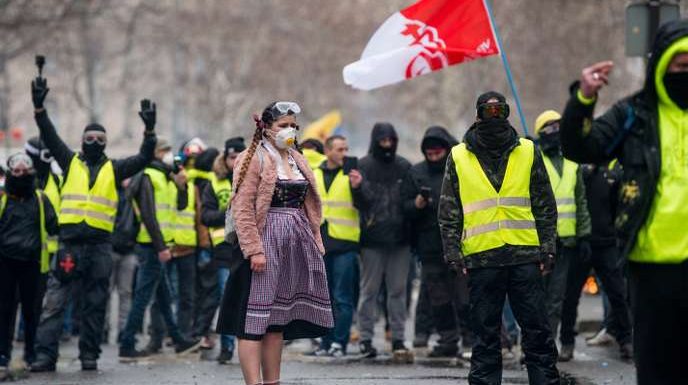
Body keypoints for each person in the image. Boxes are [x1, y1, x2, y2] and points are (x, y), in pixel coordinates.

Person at [559, 19, 688, 385]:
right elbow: (581, 147)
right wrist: (583, 99)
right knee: (659, 369)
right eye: (679, 67)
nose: (685, 74)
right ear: (661, 66)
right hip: (651, 268)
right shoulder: (635, 114)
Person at [30, 74, 157, 372]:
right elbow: (48, 135)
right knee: (54, 303)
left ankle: (89, 355)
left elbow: (143, 157)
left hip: (100, 247)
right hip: (70, 245)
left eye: (100, 139)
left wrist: (149, 131)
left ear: (106, 143)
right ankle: (45, 356)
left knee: (95, 305)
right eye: (90, 138)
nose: (94, 142)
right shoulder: (68, 160)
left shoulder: (114, 168)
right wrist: (39, 110)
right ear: (82, 141)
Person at [439, 92, 560, 385]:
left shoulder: (529, 151)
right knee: (485, 335)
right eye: (489, 110)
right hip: (482, 259)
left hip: (524, 256)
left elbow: (544, 203)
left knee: (537, 331)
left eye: (500, 110)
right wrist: (453, 253)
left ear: (506, 113)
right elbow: (449, 209)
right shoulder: (458, 155)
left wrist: (548, 248)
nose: (495, 116)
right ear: (478, 115)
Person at [217, 102, 333, 385]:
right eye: (283, 126)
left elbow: (309, 206)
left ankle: (273, 382)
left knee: (276, 321)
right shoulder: (252, 158)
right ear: (266, 128)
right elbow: (242, 209)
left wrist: (314, 239)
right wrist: (254, 250)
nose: (290, 130)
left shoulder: (297, 158)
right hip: (264, 241)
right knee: (252, 322)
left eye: (293, 125)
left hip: (294, 243)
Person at [401, 125, 471, 358]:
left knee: (465, 297)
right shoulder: (417, 172)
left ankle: (470, 338)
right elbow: (406, 207)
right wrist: (417, 204)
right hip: (429, 246)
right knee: (438, 299)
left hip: (460, 244)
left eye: (437, 154)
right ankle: (448, 339)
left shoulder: (460, 168)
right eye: (429, 154)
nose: (433, 158)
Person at [558, 161, 632, 361]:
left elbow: (618, 207)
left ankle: (626, 341)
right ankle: (567, 342)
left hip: (606, 243)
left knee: (617, 293)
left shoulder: (611, 175)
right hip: (580, 242)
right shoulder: (575, 171)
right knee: (570, 296)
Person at [356, 122, 413, 362]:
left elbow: (409, 202)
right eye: (383, 141)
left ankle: (398, 337)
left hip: (400, 240)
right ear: (376, 141)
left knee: (398, 292)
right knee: (369, 291)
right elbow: (361, 203)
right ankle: (365, 338)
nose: (387, 145)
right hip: (372, 239)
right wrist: (358, 187)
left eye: (390, 140)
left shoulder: (404, 166)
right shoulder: (364, 166)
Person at [533, 110, 592, 339]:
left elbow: (581, 200)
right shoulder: (533, 159)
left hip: (565, 243)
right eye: (549, 128)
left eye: (558, 127)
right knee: (534, 298)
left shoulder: (572, 161)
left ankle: (548, 345)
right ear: (540, 133)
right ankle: (532, 344)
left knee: (556, 298)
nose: (555, 133)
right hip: (537, 243)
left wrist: (584, 235)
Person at [0, 154, 58, 377]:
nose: (21, 175)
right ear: (9, 174)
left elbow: (54, 226)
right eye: (16, 172)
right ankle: (3, 352)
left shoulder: (41, 199)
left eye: (25, 171)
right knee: (4, 311)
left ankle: (31, 353)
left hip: (33, 264)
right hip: (5, 263)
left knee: (32, 312)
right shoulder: (3, 199)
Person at [309, 135, 363, 357]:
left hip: (345, 244)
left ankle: (339, 343)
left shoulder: (351, 174)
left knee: (342, 297)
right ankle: (325, 341)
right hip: (320, 244)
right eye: (340, 149)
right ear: (328, 151)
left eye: (346, 149)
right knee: (323, 297)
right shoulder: (315, 174)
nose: (344, 153)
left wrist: (358, 187)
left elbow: (364, 204)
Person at [200, 137, 244, 364]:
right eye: (231, 156)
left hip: (248, 248)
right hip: (224, 250)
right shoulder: (214, 183)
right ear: (225, 158)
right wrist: (229, 213)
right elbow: (205, 216)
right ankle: (227, 347)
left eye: (239, 156)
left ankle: (251, 347)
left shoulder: (253, 178)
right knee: (228, 300)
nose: (235, 161)